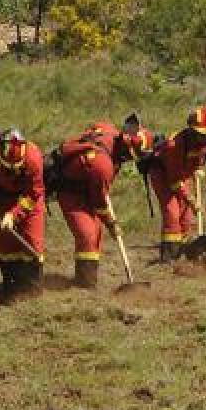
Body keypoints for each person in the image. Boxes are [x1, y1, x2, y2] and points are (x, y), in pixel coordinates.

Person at [51, 118, 152, 287]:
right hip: (71, 193)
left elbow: (99, 124)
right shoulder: (102, 165)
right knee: (88, 235)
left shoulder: (110, 133)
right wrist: (111, 223)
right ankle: (85, 284)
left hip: (89, 185)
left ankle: (89, 279)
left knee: (96, 232)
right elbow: (100, 203)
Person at [0, 127, 45, 300]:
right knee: (7, 245)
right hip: (0, 197)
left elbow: (34, 193)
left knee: (33, 242)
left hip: (28, 198)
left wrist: (14, 214)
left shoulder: (33, 157)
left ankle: (33, 291)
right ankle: (11, 289)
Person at [142, 108, 206, 262]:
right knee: (172, 212)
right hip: (163, 174)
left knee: (186, 215)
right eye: (202, 135)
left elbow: (198, 160)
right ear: (192, 131)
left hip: (183, 173)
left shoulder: (204, 142)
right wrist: (190, 198)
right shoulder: (173, 145)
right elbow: (174, 180)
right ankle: (169, 256)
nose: (205, 139)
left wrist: (199, 169)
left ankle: (184, 251)